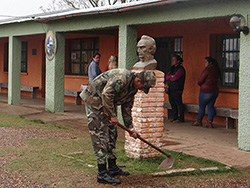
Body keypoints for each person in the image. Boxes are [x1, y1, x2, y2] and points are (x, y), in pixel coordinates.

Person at [80, 69, 156, 184]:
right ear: (139, 80)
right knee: (101, 135)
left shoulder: (133, 89)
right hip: (94, 101)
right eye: (142, 86)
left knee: (112, 133)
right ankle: (102, 173)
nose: (141, 89)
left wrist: (131, 128)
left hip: (107, 104)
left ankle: (112, 166)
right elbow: (106, 93)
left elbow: (127, 109)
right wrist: (112, 115)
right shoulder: (122, 78)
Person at [192, 57, 220, 128]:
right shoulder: (216, 69)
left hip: (205, 91)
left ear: (209, 63)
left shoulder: (207, 70)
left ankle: (198, 120)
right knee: (211, 106)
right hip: (215, 91)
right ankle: (209, 122)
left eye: (206, 62)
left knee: (202, 107)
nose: (205, 63)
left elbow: (200, 81)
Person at [165, 55, 186, 123]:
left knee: (178, 103)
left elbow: (175, 78)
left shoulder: (181, 69)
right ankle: (174, 117)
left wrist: (172, 77)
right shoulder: (172, 68)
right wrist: (171, 76)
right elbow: (166, 76)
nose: (173, 61)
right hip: (171, 88)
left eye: (174, 60)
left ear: (178, 61)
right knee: (172, 103)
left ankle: (181, 118)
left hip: (177, 88)